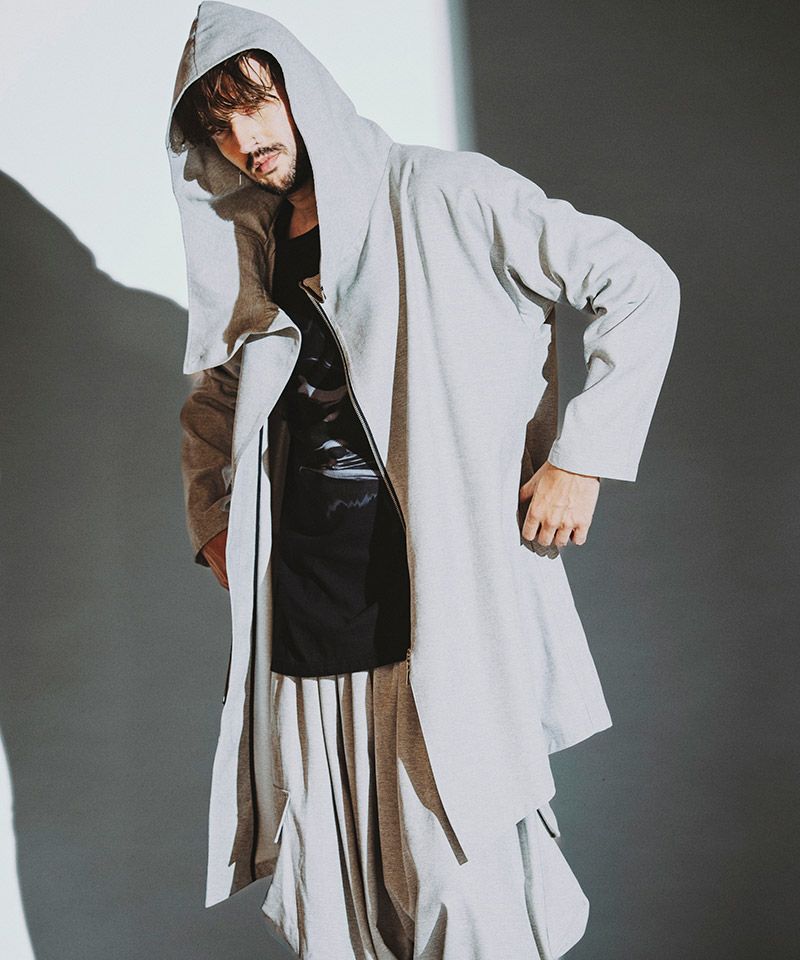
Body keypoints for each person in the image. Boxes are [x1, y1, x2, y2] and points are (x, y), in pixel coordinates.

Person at [166, 3, 680, 957]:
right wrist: (214, 520)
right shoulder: (258, 242)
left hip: (439, 602)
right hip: (306, 613)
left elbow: (637, 281)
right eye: (220, 126)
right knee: (342, 902)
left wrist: (583, 457)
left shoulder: (445, 191)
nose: (245, 140)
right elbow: (216, 393)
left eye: (258, 103)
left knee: (464, 888)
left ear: (302, 88)